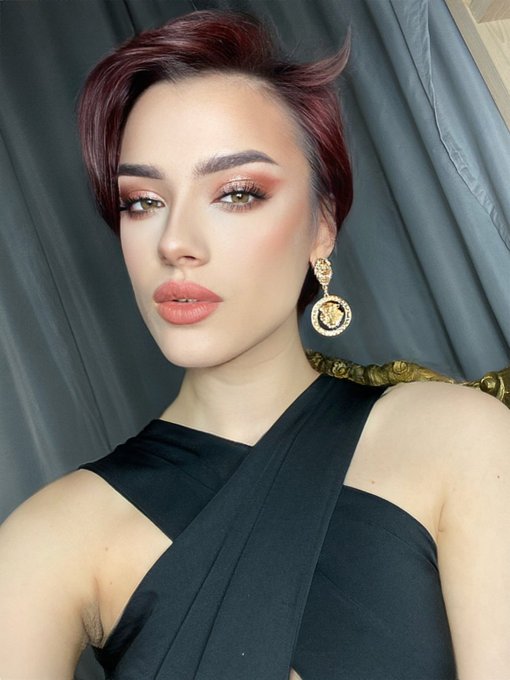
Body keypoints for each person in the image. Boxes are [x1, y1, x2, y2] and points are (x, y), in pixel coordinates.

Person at [0, 9, 509, 680]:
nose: (175, 242)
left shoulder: (457, 438)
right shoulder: (50, 540)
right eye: (142, 201)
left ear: (322, 224)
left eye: (237, 193)